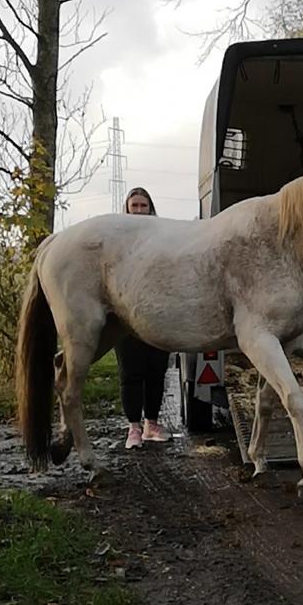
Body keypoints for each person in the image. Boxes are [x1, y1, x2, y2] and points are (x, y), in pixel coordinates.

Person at [116, 187, 172, 450]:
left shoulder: (162, 237)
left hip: (158, 315)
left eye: (143, 206)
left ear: (151, 208)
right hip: (126, 316)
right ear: (126, 208)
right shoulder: (117, 240)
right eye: (134, 205)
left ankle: (152, 424)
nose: (139, 210)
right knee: (130, 373)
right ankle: (134, 428)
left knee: (156, 372)